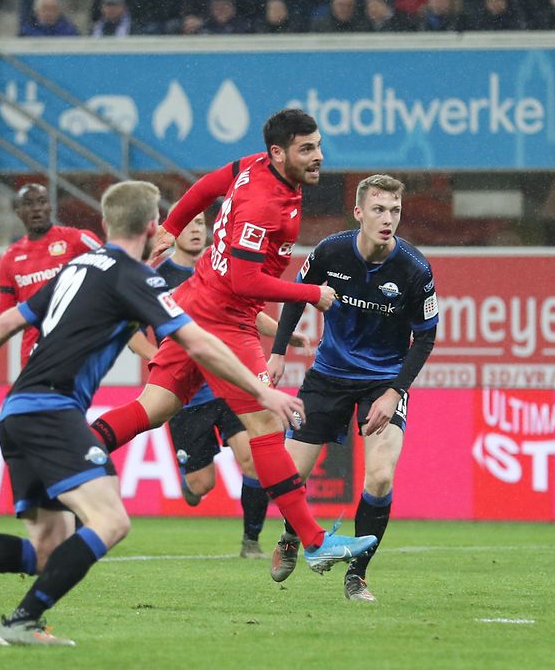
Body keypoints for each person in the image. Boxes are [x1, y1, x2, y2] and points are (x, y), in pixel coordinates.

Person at [0, 181, 306, 646]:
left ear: (105, 223)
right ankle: (20, 623)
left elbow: (10, 319)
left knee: (47, 551)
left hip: (17, 411)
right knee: (111, 522)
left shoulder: (79, 266)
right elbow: (200, 343)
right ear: (153, 227)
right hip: (51, 411)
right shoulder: (135, 277)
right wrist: (262, 392)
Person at [87, 109, 372, 575]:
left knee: (152, 408)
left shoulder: (252, 166)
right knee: (266, 426)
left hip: (196, 302)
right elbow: (245, 280)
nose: (318, 156)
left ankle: (71, 452)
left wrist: (171, 228)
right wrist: (312, 294)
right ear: (278, 153)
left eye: (318, 145)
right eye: (306, 149)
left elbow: (205, 187)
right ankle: (315, 542)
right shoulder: (263, 203)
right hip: (225, 320)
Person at [266, 174, 437, 602]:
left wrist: (395, 392)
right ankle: (291, 535)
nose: (388, 219)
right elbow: (297, 296)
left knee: (380, 477)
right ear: (359, 212)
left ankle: (357, 576)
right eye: (378, 209)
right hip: (328, 376)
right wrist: (279, 352)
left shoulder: (415, 270)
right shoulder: (330, 251)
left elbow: (426, 337)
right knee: (290, 475)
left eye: (395, 210)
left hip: (383, 381)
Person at [155, 210, 312, 558]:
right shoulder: (158, 277)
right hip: (188, 393)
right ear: (174, 231)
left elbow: (247, 312)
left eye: (201, 224)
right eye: (188, 224)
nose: (196, 230)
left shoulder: (219, 265)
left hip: (228, 381)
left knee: (252, 458)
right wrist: (159, 356)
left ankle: (250, 541)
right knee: (201, 484)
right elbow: (133, 330)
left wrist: (285, 335)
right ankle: (190, 481)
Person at [0, 184, 101, 367]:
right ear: (18, 212)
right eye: (28, 203)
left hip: (72, 350)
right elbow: (4, 317)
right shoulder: (10, 258)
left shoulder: (77, 240)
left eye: (42, 201)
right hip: (33, 357)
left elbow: (116, 267)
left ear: (50, 207)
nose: (36, 208)